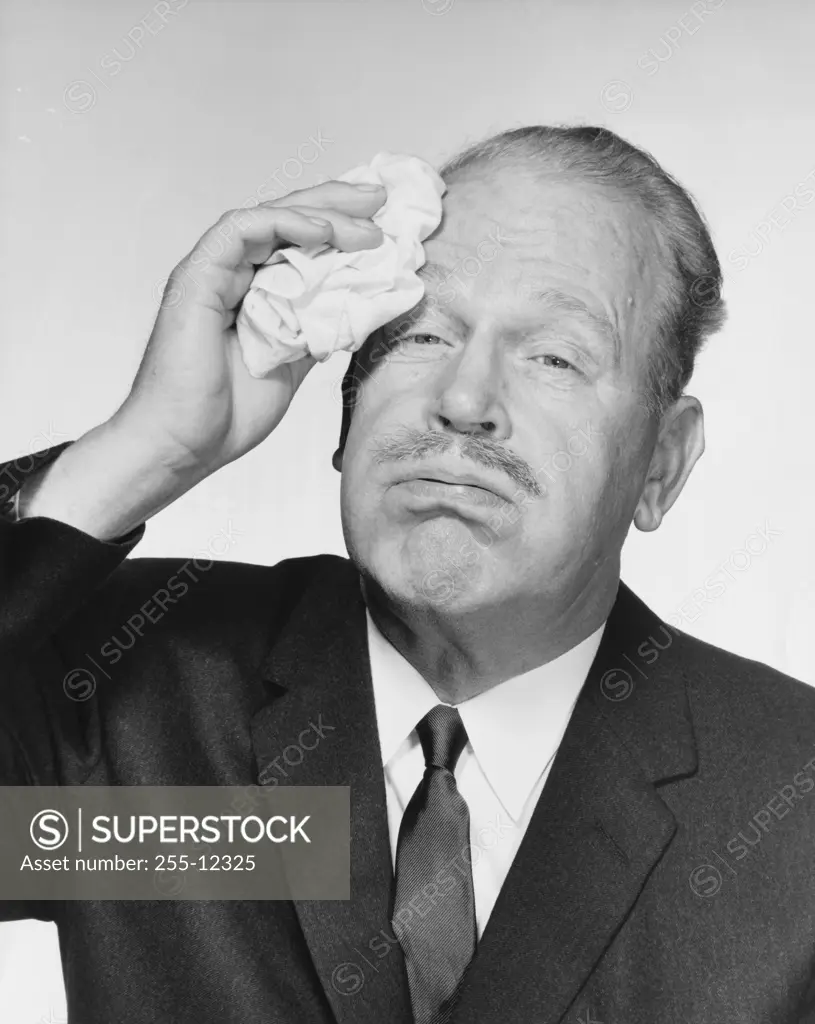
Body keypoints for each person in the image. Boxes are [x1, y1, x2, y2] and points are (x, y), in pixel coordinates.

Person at [2, 125, 814, 1024]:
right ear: (344, 411)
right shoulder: (126, 695)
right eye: (421, 334)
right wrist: (142, 452)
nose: (463, 402)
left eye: (554, 356)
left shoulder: (790, 799)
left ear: (660, 464)